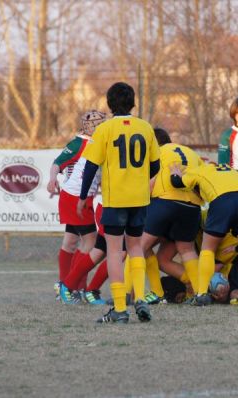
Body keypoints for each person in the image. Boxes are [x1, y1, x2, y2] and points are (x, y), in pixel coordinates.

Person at [79, 82, 161, 323]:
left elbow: (91, 166)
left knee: (114, 252)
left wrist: (84, 196)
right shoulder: (145, 128)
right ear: (133, 102)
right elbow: (155, 164)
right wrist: (139, 179)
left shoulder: (105, 129)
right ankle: (141, 300)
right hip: (139, 198)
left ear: (110, 104)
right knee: (136, 248)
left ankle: (119, 308)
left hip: (116, 200)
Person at [170, 163, 238, 306]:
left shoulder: (198, 171)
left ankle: (202, 293)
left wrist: (175, 174)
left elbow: (177, 183)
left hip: (222, 200)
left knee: (208, 249)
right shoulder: (232, 171)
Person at [47, 109, 106, 301]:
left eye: (99, 123)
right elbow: (58, 162)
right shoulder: (80, 142)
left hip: (77, 196)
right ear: (87, 126)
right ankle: (73, 287)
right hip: (76, 198)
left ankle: (65, 285)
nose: (98, 126)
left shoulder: (98, 142)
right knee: (91, 243)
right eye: (95, 123)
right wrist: (52, 178)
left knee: (70, 242)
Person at [140, 127, 203, 304]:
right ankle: (198, 291)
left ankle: (144, 294)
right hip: (192, 206)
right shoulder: (191, 153)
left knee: (139, 246)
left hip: (166, 202)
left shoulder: (158, 153)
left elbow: (150, 185)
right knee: (184, 251)